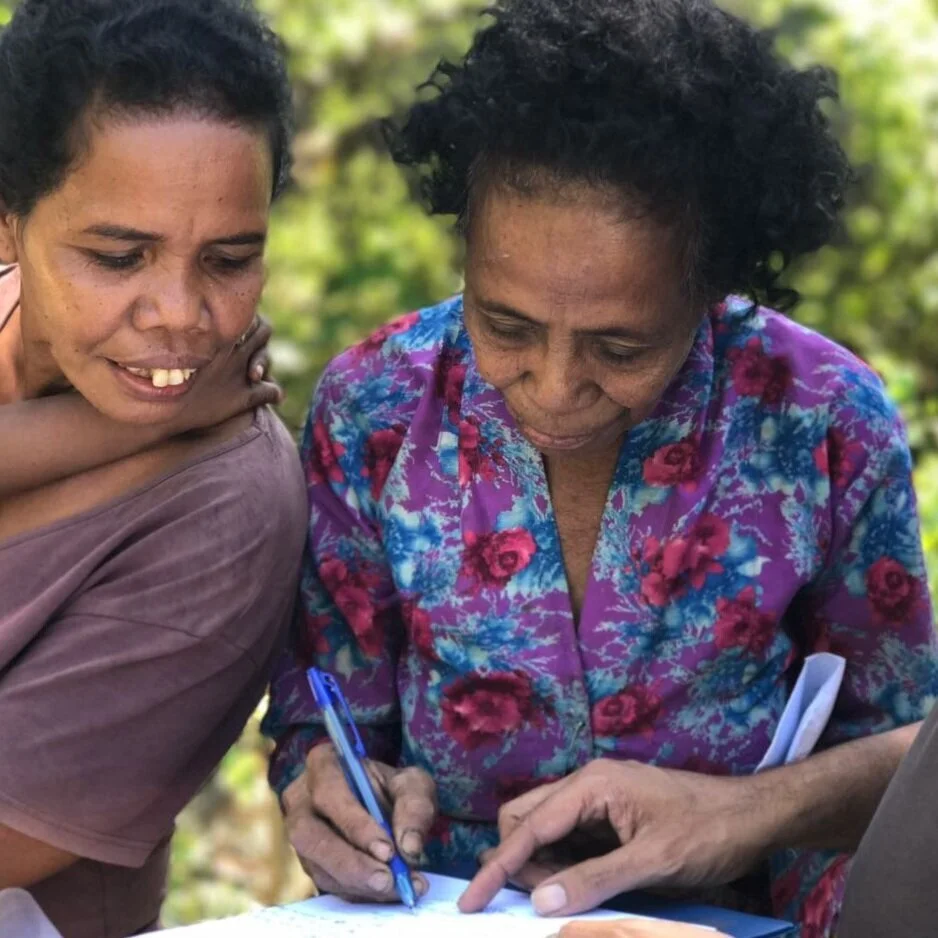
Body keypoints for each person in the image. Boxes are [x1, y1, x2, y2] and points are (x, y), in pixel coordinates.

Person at [261, 1, 938, 935]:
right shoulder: (374, 408)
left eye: (620, 348)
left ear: (711, 288)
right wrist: (332, 784)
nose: (553, 387)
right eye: (504, 325)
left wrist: (744, 814)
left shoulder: (822, 418)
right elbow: (320, 716)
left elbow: (917, 755)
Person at [0, 1, 308, 936]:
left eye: (229, 259)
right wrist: (102, 433)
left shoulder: (228, 511)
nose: (178, 311)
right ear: (8, 226)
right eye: (117, 256)